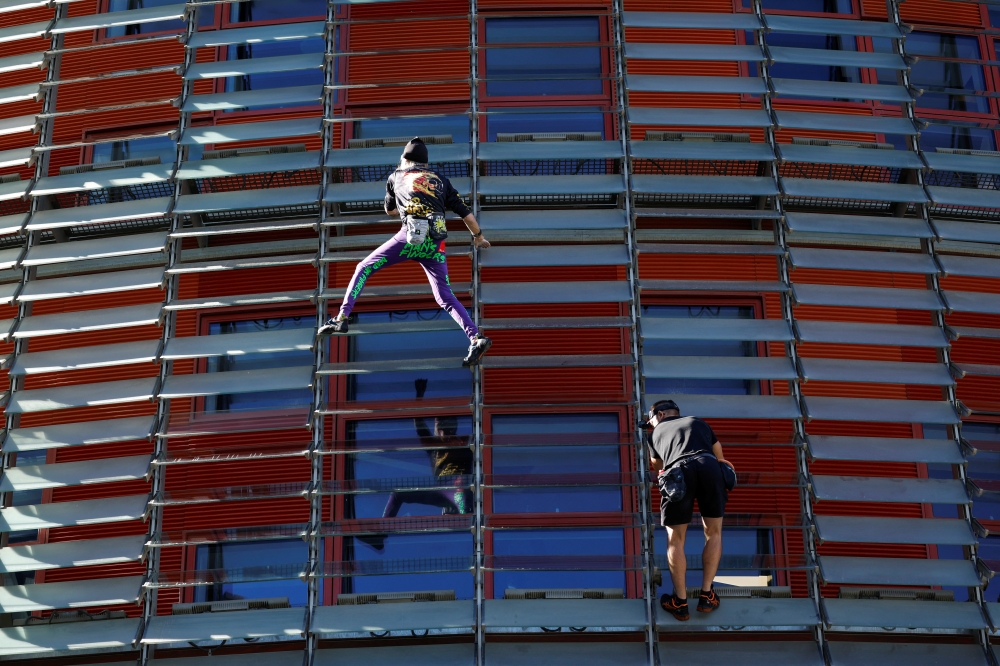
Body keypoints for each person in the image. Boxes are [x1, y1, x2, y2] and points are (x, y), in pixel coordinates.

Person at [318, 137, 493, 367]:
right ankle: (475, 337)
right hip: (435, 242)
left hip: (410, 236)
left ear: (405, 158)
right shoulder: (441, 180)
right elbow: (466, 214)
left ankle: (341, 318)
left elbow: (389, 210)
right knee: (445, 297)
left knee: (363, 267)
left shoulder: (396, 176)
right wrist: (479, 237)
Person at [357, 379, 473, 552]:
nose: (442, 426)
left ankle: (464, 515)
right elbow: (419, 423)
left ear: (454, 424)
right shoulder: (434, 449)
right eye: (438, 422)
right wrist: (419, 397)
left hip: (461, 489)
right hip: (443, 491)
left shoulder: (465, 442)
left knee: (460, 483)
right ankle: (380, 535)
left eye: (447, 421)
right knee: (398, 494)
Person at [645, 399, 732, 621]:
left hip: (678, 472)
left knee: (676, 539)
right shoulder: (698, 422)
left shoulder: (654, 434)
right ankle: (706, 595)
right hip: (708, 465)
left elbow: (658, 467)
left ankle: (680, 602)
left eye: (650, 420)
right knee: (713, 532)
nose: (650, 425)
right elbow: (720, 455)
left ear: (661, 415)